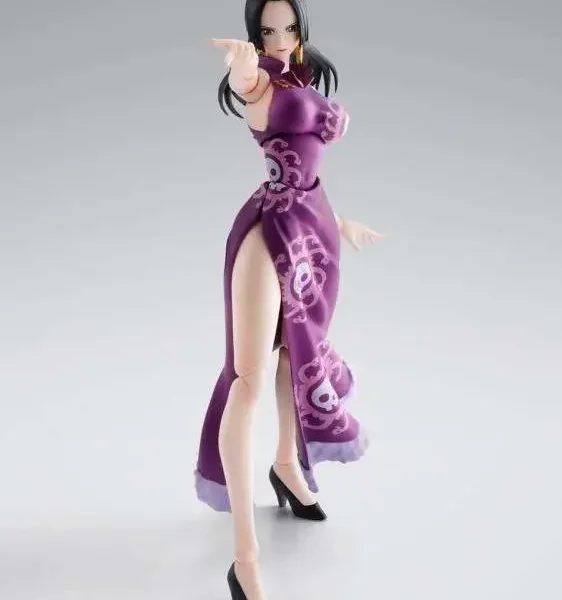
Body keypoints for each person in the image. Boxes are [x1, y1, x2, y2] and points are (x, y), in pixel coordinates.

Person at [194, 1, 383, 597]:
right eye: (265, 30)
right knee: (249, 378)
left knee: (293, 353)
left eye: (288, 28)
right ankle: (245, 557)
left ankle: (285, 465)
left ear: (301, 29)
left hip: (312, 227)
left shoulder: (301, 78)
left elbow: (307, 169)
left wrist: (340, 223)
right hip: (271, 230)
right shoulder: (262, 83)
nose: (278, 38)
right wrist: (242, 67)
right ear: (254, 36)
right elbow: (248, 87)